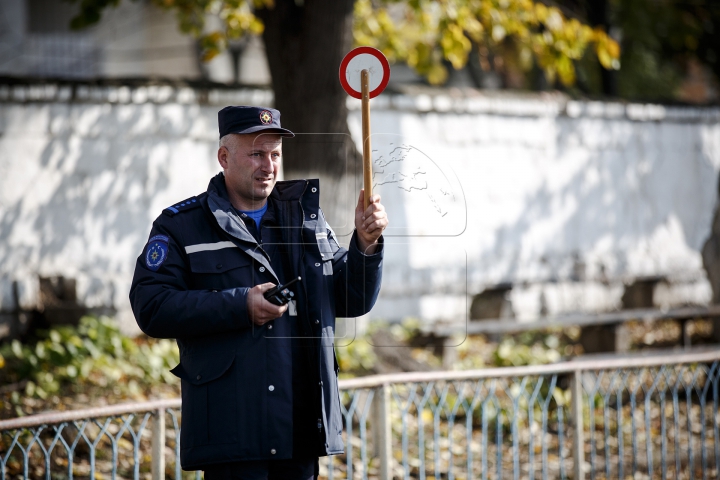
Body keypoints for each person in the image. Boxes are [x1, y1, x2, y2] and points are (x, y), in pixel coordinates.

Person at [129, 105, 388, 480]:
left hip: (300, 428)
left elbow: (352, 300)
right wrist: (240, 305)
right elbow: (152, 307)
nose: (268, 165)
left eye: (275, 155)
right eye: (256, 154)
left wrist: (365, 245)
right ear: (224, 157)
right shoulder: (181, 226)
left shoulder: (307, 220)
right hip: (232, 432)